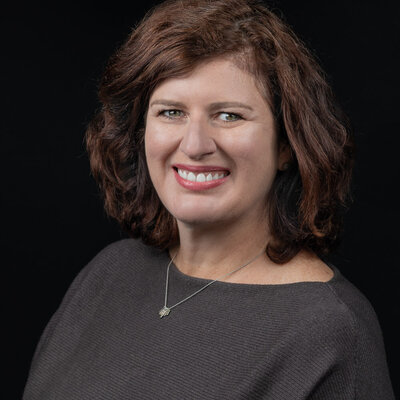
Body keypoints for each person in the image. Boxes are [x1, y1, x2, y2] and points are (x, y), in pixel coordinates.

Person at [23, 0, 395, 398]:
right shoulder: (109, 273)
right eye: (171, 112)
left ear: (287, 144)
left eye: (228, 115)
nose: (195, 145)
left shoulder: (329, 333)